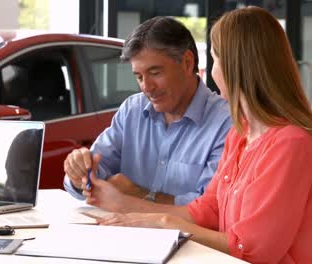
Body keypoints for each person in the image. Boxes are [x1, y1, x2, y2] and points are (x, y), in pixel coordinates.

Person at [94, 6, 312, 263]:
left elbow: (253, 247)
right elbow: (208, 210)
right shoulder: (240, 135)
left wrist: (166, 224)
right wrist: (136, 215)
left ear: (239, 66)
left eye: (215, 59)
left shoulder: (291, 143)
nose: (211, 71)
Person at [63, 16, 232, 210]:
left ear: (187, 62)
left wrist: (138, 195)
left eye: (155, 73)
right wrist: (78, 174)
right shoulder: (131, 111)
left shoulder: (226, 123)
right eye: (139, 76)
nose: (146, 87)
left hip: (185, 239)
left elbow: (213, 209)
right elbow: (95, 172)